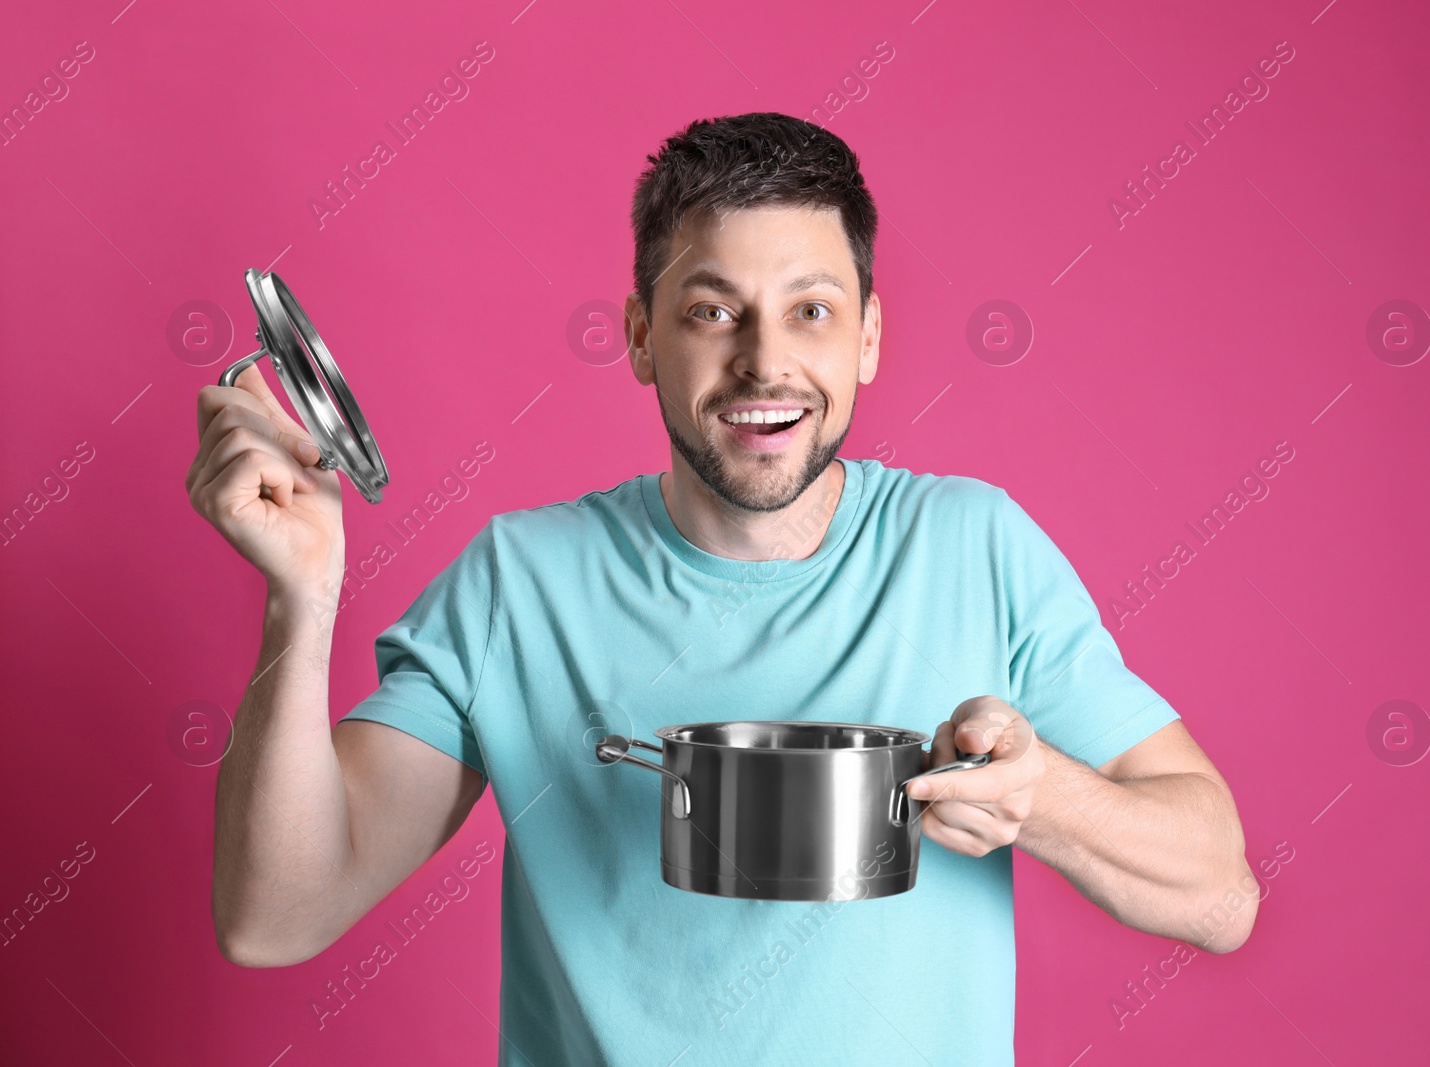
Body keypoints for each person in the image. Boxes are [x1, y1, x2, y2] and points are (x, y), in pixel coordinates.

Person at [187, 111, 1256, 1066]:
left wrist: (1045, 797)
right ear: (643, 337)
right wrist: (303, 597)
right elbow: (274, 917)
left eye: (811, 310)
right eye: (712, 311)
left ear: (869, 336)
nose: (763, 363)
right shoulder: (519, 582)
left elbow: (1222, 895)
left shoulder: (975, 545)